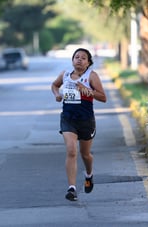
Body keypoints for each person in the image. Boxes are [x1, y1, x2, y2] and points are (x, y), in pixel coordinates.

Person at [51, 48, 107, 201]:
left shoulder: (92, 76)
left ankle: (89, 175)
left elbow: (103, 97)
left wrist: (87, 90)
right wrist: (57, 95)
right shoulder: (65, 75)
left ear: (88, 62)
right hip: (68, 118)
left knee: (85, 154)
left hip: (86, 120)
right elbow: (55, 85)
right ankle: (72, 188)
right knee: (71, 150)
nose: (79, 59)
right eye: (77, 57)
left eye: (83, 58)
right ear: (72, 60)